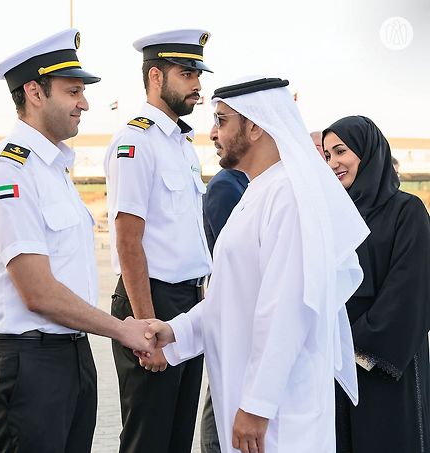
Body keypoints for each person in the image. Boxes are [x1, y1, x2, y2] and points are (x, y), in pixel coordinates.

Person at [145, 77, 369, 453]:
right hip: (252, 401)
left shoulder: (288, 196)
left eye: (221, 120)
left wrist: (258, 405)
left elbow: (286, 308)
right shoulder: (260, 190)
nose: (212, 132)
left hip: (279, 412)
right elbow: (232, 298)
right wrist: (174, 332)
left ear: (254, 126)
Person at [0, 29, 154, 453]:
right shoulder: (7, 171)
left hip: (71, 356)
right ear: (34, 92)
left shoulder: (53, 170)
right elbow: (39, 292)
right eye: (73, 92)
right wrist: (123, 330)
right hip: (26, 364)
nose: (84, 103)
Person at [104, 29, 214, 453]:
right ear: (155, 76)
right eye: (187, 74)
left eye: (198, 74)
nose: (198, 85)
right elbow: (128, 241)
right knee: (148, 438)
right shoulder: (135, 141)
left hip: (188, 305)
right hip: (152, 302)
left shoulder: (182, 145)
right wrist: (148, 327)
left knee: (177, 437)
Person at [323, 116, 430, 453]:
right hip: (337, 366)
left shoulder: (406, 211)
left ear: (368, 152)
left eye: (340, 151)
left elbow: (408, 293)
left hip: (386, 362)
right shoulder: (335, 215)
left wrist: (351, 344)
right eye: (326, 155)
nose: (333, 162)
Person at [200, 167, 249, 453]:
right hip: (230, 304)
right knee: (219, 391)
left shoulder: (252, 184)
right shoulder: (225, 186)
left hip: (238, 305)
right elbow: (229, 257)